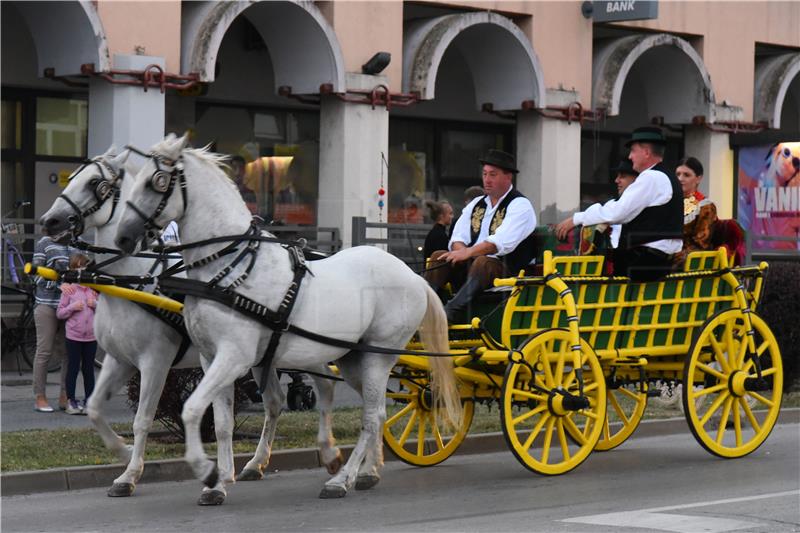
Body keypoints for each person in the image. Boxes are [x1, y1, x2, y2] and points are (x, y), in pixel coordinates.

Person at [556, 126, 683, 281]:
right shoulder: (664, 176)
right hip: (656, 258)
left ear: (647, 152)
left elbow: (618, 212)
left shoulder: (651, 177)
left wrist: (577, 219)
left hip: (646, 260)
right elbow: (618, 206)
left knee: (596, 274)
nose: (630, 156)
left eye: (633, 151)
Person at [425, 149, 537, 321]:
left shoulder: (520, 205)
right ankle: (426, 308)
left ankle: (451, 311)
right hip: (474, 267)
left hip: (509, 271)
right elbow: (457, 236)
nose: (487, 180)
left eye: (493, 174)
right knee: (439, 256)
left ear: (508, 177)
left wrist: (468, 253)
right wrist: (461, 251)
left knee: (483, 261)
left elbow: (499, 243)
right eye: (485, 174)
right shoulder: (477, 204)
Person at [31, 231, 73, 412]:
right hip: (46, 305)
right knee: (44, 351)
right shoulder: (44, 243)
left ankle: (65, 396)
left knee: (69, 354)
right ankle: (40, 397)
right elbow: (34, 273)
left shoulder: (77, 244)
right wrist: (57, 285)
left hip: (71, 307)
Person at [56, 253, 98, 415]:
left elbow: (104, 309)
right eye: (78, 267)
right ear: (72, 270)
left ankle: (89, 401)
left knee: (89, 370)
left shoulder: (94, 290)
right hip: (73, 337)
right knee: (73, 368)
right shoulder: (69, 290)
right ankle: (71, 401)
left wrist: (94, 304)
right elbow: (60, 313)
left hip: (91, 337)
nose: (82, 270)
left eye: (84, 266)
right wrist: (72, 307)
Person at [580, 158, 639, 255]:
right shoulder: (611, 204)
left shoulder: (647, 208)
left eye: (622, 176)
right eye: (617, 176)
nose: (617, 180)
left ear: (637, 180)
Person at [673, 156, 718, 266]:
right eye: (678, 174)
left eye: (686, 175)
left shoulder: (705, 206)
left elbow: (701, 243)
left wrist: (671, 256)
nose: (680, 178)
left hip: (688, 261)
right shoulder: (668, 201)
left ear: (698, 178)